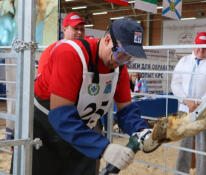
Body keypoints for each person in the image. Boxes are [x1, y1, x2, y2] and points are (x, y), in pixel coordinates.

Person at [32, 18, 151, 175]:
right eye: (122, 55)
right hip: (46, 129)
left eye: (129, 58)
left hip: (81, 130)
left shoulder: (118, 67)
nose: (123, 62)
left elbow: (126, 109)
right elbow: (60, 116)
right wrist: (104, 147)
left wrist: (140, 130)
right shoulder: (70, 54)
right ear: (108, 40)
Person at [171, 32, 206, 175]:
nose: (201, 51)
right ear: (194, 45)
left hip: (205, 111)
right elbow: (175, 83)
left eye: (205, 48)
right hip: (184, 109)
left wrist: (202, 103)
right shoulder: (184, 61)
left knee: (204, 148)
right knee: (184, 145)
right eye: (199, 48)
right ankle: (180, 172)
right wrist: (186, 101)